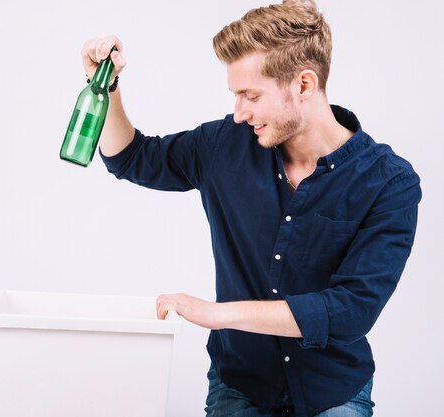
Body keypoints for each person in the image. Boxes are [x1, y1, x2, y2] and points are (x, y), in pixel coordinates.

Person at [81, 1, 421, 416]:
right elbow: (130, 158)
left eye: (251, 95)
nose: (239, 113)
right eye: (236, 95)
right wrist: (108, 87)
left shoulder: (389, 182)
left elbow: (351, 311)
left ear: (304, 85)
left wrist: (217, 314)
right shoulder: (224, 144)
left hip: (332, 389)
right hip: (241, 383)